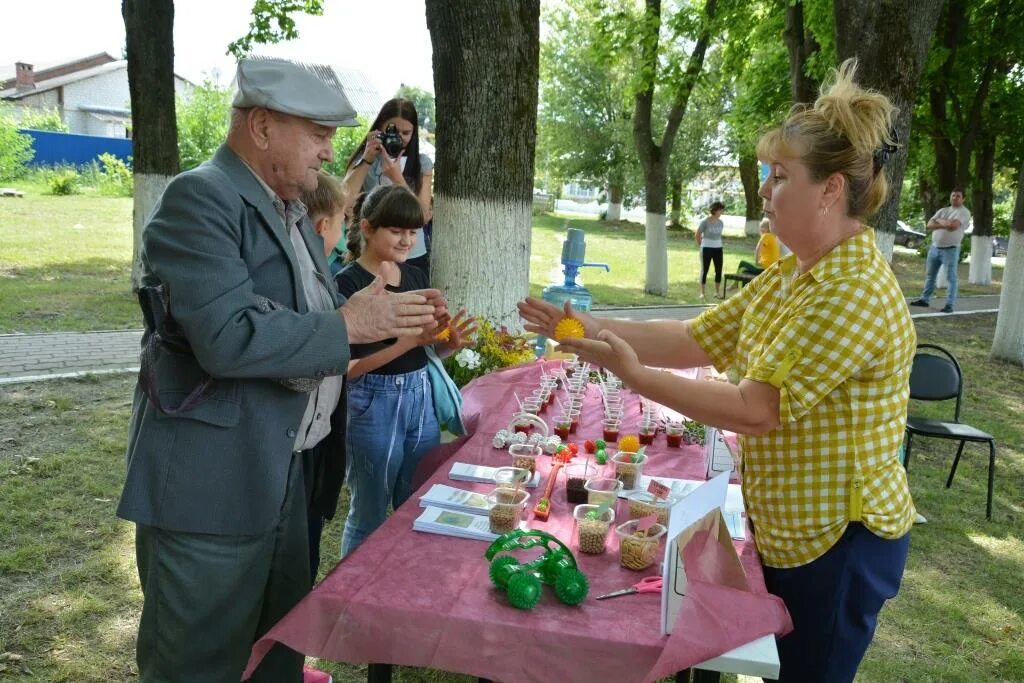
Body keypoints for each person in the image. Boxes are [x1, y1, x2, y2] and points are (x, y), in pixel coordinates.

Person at [519, 59, 915, 683]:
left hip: (839, 540)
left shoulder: (853, 289)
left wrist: (636, 376)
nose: (763, 190)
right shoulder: (797, 273)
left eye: (778, 176)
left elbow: (756, 409)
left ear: (831, 189)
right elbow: (692, 337)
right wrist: (592, 329)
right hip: (794, 528)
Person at [117, 57, 445, 683]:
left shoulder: (285, 207)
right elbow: (227, 337)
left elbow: (305, 321)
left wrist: (363, 318)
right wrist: (349, 326)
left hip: (285, 477)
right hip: (212, 490)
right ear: (262, 126)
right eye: (317, 133)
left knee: (278, 654)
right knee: (199, 661)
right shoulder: (201, 198)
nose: (330, 151)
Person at [336, 185, 475, 557]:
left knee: (416, 503)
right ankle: (352, 597)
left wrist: (448, 342)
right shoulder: (348, 285)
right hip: (371, 404)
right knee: (369, 514)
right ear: (367, 228)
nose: (407, 240)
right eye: (397, 231)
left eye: (413, 232)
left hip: (420, 400)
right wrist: (409, 342)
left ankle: (399, 586)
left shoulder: (414, 277)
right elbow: (347, 370)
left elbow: (424, 350)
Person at [298, 170, 349, 583]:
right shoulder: (307, 279)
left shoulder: (322, 275)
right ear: (322, 227)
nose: (344, 232)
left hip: (315, 441)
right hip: (298, 446)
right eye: (343, 221)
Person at [340, 98, 433, 273]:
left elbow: (423, 216)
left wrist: (398, 178)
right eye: (392, 131)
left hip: (411, 255)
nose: (398, 138)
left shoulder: (422, 164)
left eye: (406, 133)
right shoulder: (366, 159)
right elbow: (343, 202)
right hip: (370, 253)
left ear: (414, 134)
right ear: (379, 128)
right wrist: (367, 159)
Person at [910, 188, 971, 313]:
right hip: (935, 248)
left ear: (963, 198)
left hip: (951, 250)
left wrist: (939, 221)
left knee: (951, 278)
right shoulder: (943, 210)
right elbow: (929, 225)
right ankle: (925, 300)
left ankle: (949, 305)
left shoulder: (964, 212)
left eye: (958, 196)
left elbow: (953, 227)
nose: (954, 198)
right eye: (953, 195)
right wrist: (945, 223)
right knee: (930, 275)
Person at [695, 201, 726, 299]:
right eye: (720, 210)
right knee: (705, 270)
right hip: (706, 248)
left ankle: (717, 292)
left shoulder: (721, 223)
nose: (722, 212)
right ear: (715, 210)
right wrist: (702, 245)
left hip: (718, 249)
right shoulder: (705, 222)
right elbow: (697, 235)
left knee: (718, 270)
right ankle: (702, 293)